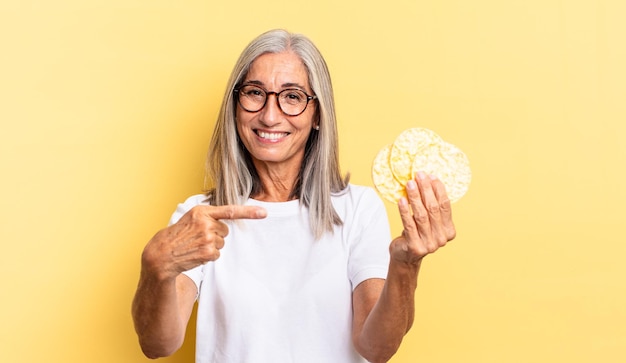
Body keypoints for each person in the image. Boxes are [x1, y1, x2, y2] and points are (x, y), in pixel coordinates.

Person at [132, 29, 456, 363]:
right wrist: (155, 267)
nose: (270, 116)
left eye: (292, 96)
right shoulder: (200, 218)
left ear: (317, 114)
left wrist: (406, 264)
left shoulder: (358, 209)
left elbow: (376, 348)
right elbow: (158, 345)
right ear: (235, 106)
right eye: (255, 92)